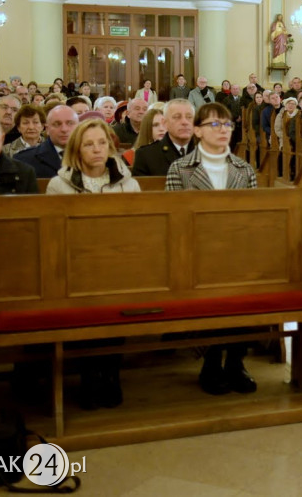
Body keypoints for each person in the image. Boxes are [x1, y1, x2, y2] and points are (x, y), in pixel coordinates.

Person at [163, 102, 257, 396]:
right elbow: (174, 219)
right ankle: (213, 361)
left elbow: (254, 219)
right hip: (196, 254)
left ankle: (236, 361)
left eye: (227, 125)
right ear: (198, 131)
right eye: (215, 125)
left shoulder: (244, 169)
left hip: (238, 253)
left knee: (247, 287)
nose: (223, 130)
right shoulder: (180, 168)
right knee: (214, 288)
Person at [47, 119, 140, 195]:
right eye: (88, 144)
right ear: (77, 149)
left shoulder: (129, 185)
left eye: (102, 143)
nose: (97, 150)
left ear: (109, 146)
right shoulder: (58, 186)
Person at [131, 99, 196, 177]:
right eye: (177, 117)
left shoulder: (207, 152)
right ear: (165, 123)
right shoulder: (146, 155)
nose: (184, 122)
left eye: (189, 117)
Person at [15, 105, 79, 178]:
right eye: (57, 124)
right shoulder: (23, 160)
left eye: (70, 123)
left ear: (78, 126)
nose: (64, 129)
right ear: (47, 129)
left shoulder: (90, 155)